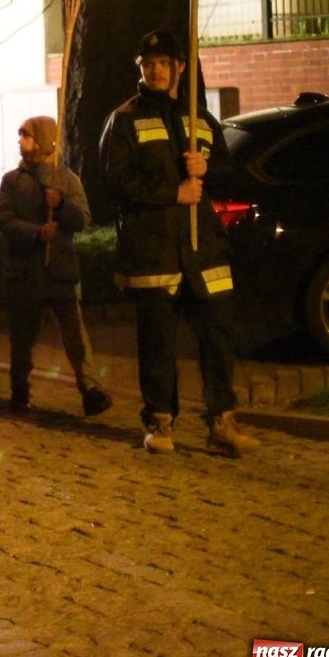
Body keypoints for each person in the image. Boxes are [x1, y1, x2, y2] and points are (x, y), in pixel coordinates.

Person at [99, 30, 259, 457]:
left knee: (219, 335)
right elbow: (116, 182)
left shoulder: (201, 118)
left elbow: (228, 175)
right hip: (154, 248)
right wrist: (172, 192)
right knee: (158, 343)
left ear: (179, 68)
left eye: (163, 62)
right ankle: (160, 421)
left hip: (204, 247)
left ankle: (222, 421)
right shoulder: (125, 120)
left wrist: (205, 167)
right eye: (147, 63)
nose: (154, 70)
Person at [0, 115, 112, 417]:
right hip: (24, 272)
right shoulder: (12, 181)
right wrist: (35, 232)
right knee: (22, 337)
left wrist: (61, 205)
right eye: (21, 135)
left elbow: (82, 219)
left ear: (45, 141)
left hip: (60, 271)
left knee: (75, 335)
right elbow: (4, 219)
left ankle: (91, 390)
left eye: (28, 136)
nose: (21, 141)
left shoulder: (66, 179)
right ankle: (19, 390)